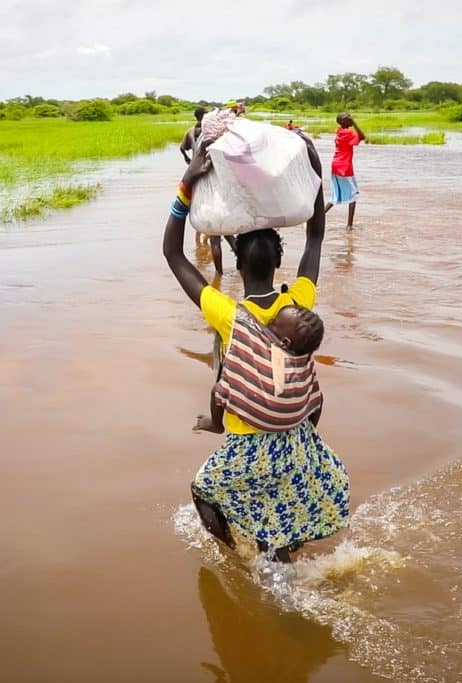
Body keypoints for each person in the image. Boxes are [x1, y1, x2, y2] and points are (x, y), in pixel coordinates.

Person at [163, 136, 349, 563]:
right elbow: (316, 239)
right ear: (277, 262)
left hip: (248, 441)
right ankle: (279, 555)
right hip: (297, 435)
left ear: (238, 264)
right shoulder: (299, 302)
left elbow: (173, 255)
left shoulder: (227, 313)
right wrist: (312, 173)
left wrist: (187, 185)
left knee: (204, 491)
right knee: (281, 513)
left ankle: (242, 559)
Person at [193, 304, 325, 435]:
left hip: (263, 420)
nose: (269, 322)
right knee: (318, 396)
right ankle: (311, 431)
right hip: (294, 418)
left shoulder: (264, 350)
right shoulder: (306, 356)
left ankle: (216, 425)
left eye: (273, 322)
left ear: (285, 343)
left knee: (217, 390)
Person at [180, 106, 226, 274]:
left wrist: (188, 160)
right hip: (210, 175)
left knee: (197, 206)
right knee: (219, 230)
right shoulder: (212, 134)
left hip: (195, 173)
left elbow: (181, 148)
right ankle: (222, 272)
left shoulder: (191, 132)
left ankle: (201, 237)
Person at [324, 112, 366, 229]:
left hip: (336, 165)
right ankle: (349, 226)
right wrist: (355, 123)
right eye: (348, 118)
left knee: (335, 196)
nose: (351, 118)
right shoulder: (347, 133)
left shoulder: (340, 131)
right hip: (344, 167)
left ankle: (318, 218)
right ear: (345, 122)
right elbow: (363, 136)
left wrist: (349, 121)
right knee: (353, 195)